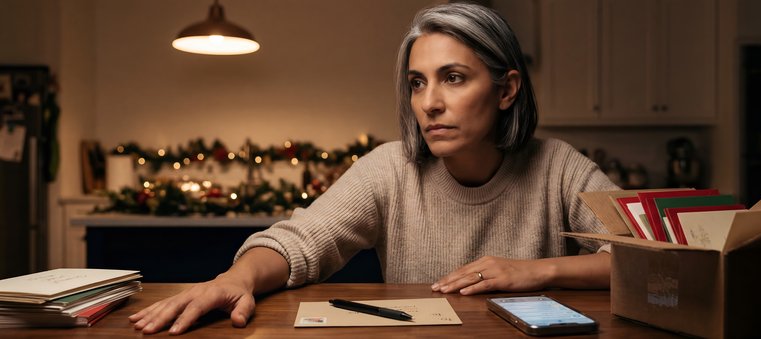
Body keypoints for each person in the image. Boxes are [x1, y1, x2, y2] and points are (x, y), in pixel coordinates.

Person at [130, 3, 618, 335]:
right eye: (417, 82)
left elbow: (656, 261)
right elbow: (302, 240)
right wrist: (235, 278)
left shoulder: (558, 168)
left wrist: (534, 272)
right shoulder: (391, 168)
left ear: (507, 90)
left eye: (453, 78)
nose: (429, 103)